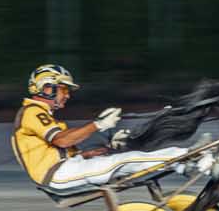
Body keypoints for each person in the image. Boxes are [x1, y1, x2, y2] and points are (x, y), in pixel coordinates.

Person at [12, 64, 201, 192]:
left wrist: (108, 148)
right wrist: (98, 124)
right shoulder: (32, 111)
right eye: (64, 89)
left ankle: (185, 158)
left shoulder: (42, 115)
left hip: (67, 168)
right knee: (126, 160)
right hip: (57, 175)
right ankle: (186, 159)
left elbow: (70, 150)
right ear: (47, 88)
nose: (67, 95)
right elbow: (62, 140)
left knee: (130, 157)